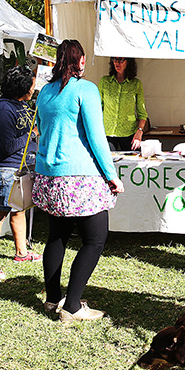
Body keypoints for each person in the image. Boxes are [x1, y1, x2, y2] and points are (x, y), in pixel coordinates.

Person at [32, 39, 124, 323]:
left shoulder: (45, 91)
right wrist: (112, 175)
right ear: (81, 61)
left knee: (57, 236)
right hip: (80, 178)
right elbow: (97, 138)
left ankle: (51, 299)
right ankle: (72, 305)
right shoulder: (86, 89)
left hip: (49, 176)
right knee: (95, 239)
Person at [0, 66, 42, 281]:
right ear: (22, 87)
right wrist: (33, 133)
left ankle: (22, 253)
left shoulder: (22, 105)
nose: (33, 89)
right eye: (31, 85)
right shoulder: (2, 109)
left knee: (19, 211)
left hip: (24, 168)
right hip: (7, 169)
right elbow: (9, 145)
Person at [98, 57, 148, 151]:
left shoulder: (136, 84)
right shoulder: (105, 81)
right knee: (109, 162)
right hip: (108, 133)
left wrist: (139, 131)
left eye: (121, 60)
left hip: (129, 133)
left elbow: (142, 113)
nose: (117, 63)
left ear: (128, 61)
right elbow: (97, 108)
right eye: (115, 60)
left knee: (132, 163)